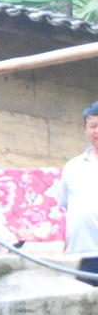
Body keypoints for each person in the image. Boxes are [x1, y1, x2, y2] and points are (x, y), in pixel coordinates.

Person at [61, 100, 98, 277]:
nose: (97, 131)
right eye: (93, 125)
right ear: (85, 129)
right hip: (79, 255)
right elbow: (67, 207)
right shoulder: (72, 167)